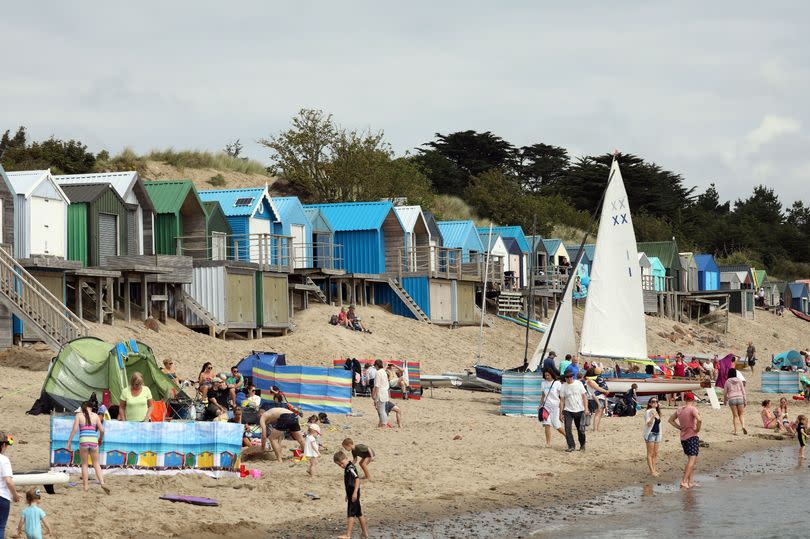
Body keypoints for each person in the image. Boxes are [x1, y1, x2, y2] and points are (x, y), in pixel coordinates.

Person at [65, 401, 110, 494]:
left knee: (84, 464)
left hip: (84, 441)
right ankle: (102, 482)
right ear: (91, 407)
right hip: (94, 440)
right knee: (96, 464)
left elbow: (74, 429)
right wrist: (100, 439)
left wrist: (69, 441)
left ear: (82, 408)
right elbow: (102, 430)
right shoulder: (96, 416)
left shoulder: (79, 415)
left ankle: (85, 486)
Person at [668, 392, 702, 489]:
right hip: (692, 436)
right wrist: (697, 429)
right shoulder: (693, 409)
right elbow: (699, 420)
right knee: (692, 460)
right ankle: (684, 481)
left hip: (683, 437)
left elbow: (670, 420)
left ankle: (690, 481)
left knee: (690, 460)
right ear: (693, 400)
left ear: (685, 399)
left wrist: (679, 427)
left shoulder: (679, 409)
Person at [333, 451, 369, 539]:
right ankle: (365, 533)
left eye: (342, 463)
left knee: (351, 514)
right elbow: (349, 482)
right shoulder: (347, 468)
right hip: (351, 493)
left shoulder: (350, 468)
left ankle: (348, 535)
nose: (341, 465)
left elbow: (357, 479)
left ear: (346, 458)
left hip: (354, 493)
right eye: (339, 465)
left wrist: (355, 493)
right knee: (359, 513)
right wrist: (347, 494)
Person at [559, 369, 589, 452]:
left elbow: (584, 396)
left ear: (573, 376)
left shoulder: (579, 384)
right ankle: (571, 446)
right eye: (567, 377)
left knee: (580, 430)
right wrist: (560, 412)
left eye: (570, 376)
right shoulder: (563, 386)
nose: (569, 378)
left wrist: (586, 408)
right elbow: (562, 400)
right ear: (565, 378)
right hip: (568, 410)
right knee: (567, 428)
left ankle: (582, 445)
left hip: (579, 410)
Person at [1, 431, 20, 537]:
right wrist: (15, 495)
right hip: (2, 497)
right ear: (3, 445)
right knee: (0, 527)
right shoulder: (4, 460)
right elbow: (8, 481)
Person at [538, 369, 565, 447]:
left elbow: (562, 397)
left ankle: (568, 437)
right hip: (546, 407)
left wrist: (562, 408)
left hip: (556, 407)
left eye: (548, 375)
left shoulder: (557, 383)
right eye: (545, 375)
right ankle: (548, 443)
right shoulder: (543, 383)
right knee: (547, 424)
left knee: (557, 426)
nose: (546, 377)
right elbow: (543, 396)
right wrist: (540, 405)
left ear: (552, 375)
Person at [723, 368, 747, 435]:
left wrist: (725, 400)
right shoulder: (739, 380)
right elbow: (743, 391)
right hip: (740, 398)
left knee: (735, 416)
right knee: (741, 414)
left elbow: (725, 392)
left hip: (732, 399)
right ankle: (743, 426)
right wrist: (745, 400)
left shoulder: (727, 381)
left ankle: (736, 431)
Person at [643, 397, 662, 477]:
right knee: (650, 453)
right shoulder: (648, 412)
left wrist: (660, 434)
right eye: (653, 402)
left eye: (656, 402)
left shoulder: (657, 412)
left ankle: (654, 469)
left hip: (657, 434)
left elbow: (659, 425)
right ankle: (652, 471)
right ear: (650, 403)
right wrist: (652, 417)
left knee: (655, 453)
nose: (654, 403)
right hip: (650, 434)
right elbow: (648, 424)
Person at [371, 360, 390, 428]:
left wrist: (374, 395)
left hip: (380, 393)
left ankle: (384, 424)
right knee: (382, 410)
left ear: (376, 365)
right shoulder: (383, 371)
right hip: (385, 392)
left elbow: (377, 386)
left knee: (381, 410)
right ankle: (381, 423)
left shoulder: (378, 372)